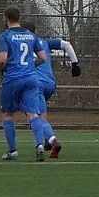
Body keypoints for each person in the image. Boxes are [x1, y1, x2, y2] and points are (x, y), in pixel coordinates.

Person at [22, 22, 81, 159]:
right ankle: (47, 141)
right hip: (50, 83)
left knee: (34, 116)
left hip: (34, 83)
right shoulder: (45, 42)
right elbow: (67, 44)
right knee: (41, 116)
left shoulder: (22, 44)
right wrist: (75, 64)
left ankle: (53, 140)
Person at [0, 6, 47, 161]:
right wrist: (31, 66)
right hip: (31, 78)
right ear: (19, 18)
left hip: (13, 78)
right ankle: (40, 145)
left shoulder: (5, 36)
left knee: (8, 114)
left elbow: (2, 59)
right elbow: (43, 57)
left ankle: (13, 151)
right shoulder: (31, 35)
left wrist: (1, 70)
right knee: (33, 113)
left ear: (6, 18)